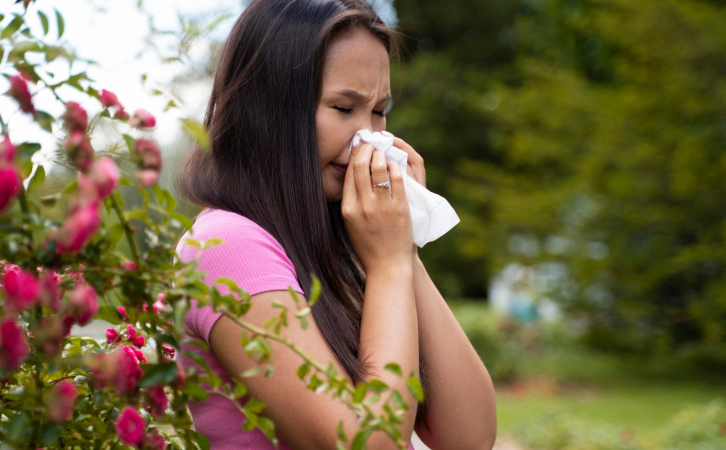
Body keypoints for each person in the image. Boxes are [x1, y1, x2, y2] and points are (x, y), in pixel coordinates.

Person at [175, 0, 497, 448]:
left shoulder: (345, 241)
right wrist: (388, 267)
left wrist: (403, 250)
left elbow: (470, 437)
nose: (371, 139)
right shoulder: (226, 245)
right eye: (345, 108)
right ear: (269, 110)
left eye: (379, 111)